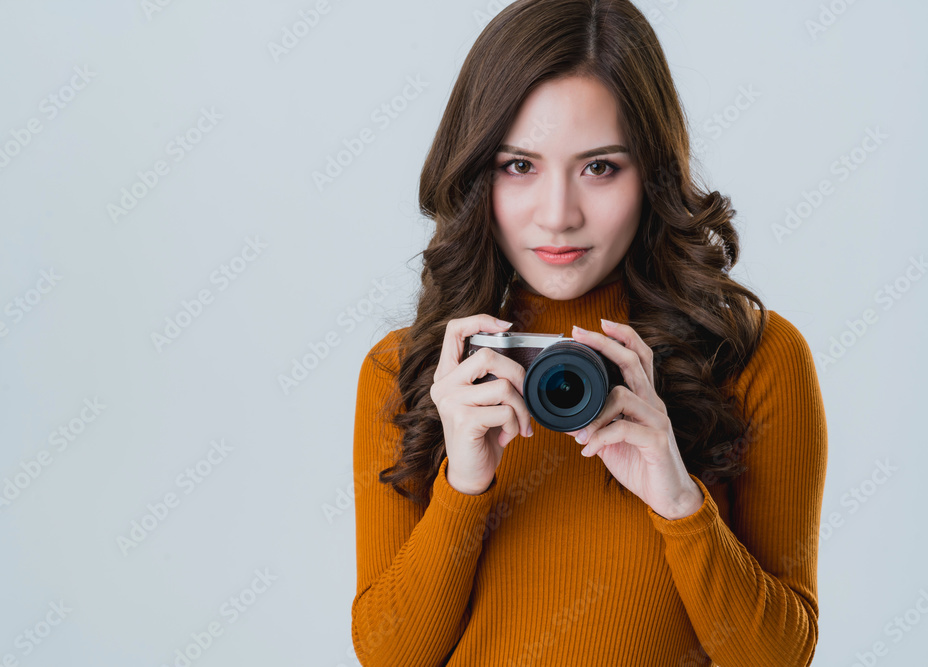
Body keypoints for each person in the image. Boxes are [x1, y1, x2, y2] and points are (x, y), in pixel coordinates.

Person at [351, 0, 828, 664]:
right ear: (478, 173)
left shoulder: (756, 357)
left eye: (600, 166)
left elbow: (778, 655)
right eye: (520, 165)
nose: (558, 216)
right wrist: (464, 487)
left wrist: (679, 501)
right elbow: (389, 654)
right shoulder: (414, 369)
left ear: (652, 173)